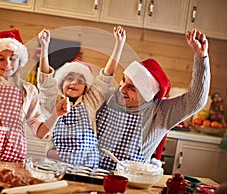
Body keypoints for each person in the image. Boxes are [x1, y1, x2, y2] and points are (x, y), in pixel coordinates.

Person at [48, 28, 210, 171]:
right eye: (124, 79)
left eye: (131, 88)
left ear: (146, 95)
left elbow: (195, 101)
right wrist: (54, 149)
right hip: (88, 174)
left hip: (129, 186)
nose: (122, 88)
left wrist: (201, 58)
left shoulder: (160, 113)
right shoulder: (105, 97)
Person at [0, 0, 69, 162]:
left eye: (12, 58)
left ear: (20, 60)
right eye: (0, 58)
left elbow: (39, 132)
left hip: (11, 156)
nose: (7, 64)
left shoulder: (29, 91)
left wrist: (56, 115)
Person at [37, 26, 126, 167]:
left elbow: (106, 77)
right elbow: (45, 82)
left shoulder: (91, 101)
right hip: (57, 163)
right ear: (61, 82)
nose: (74, 82)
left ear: (86, 87)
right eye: (69, 78)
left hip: (86, 164)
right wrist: (44, 47)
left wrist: (119, 44)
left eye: (80, 81)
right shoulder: (53, 101)